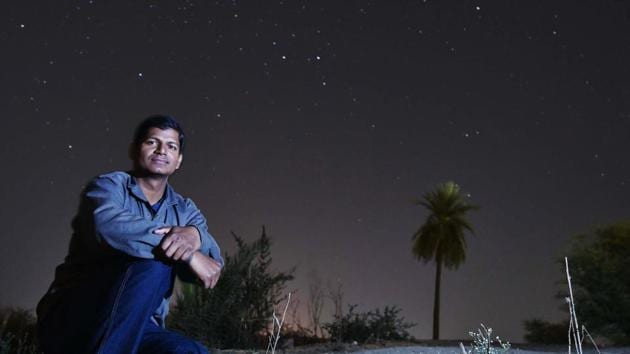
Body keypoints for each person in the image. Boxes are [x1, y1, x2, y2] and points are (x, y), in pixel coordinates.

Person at [37, 115, 223, 354]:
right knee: (155, 266)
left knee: (188, 351)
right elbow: (108, 226)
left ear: (178, 161)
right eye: (152, 142)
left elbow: (213, 264)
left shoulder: (185, 210)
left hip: (137, 325)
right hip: (76, 316)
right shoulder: (108, 186)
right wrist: (185, 251)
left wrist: (196, 235)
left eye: (171, 146)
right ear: (135, 149)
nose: (161, 150)